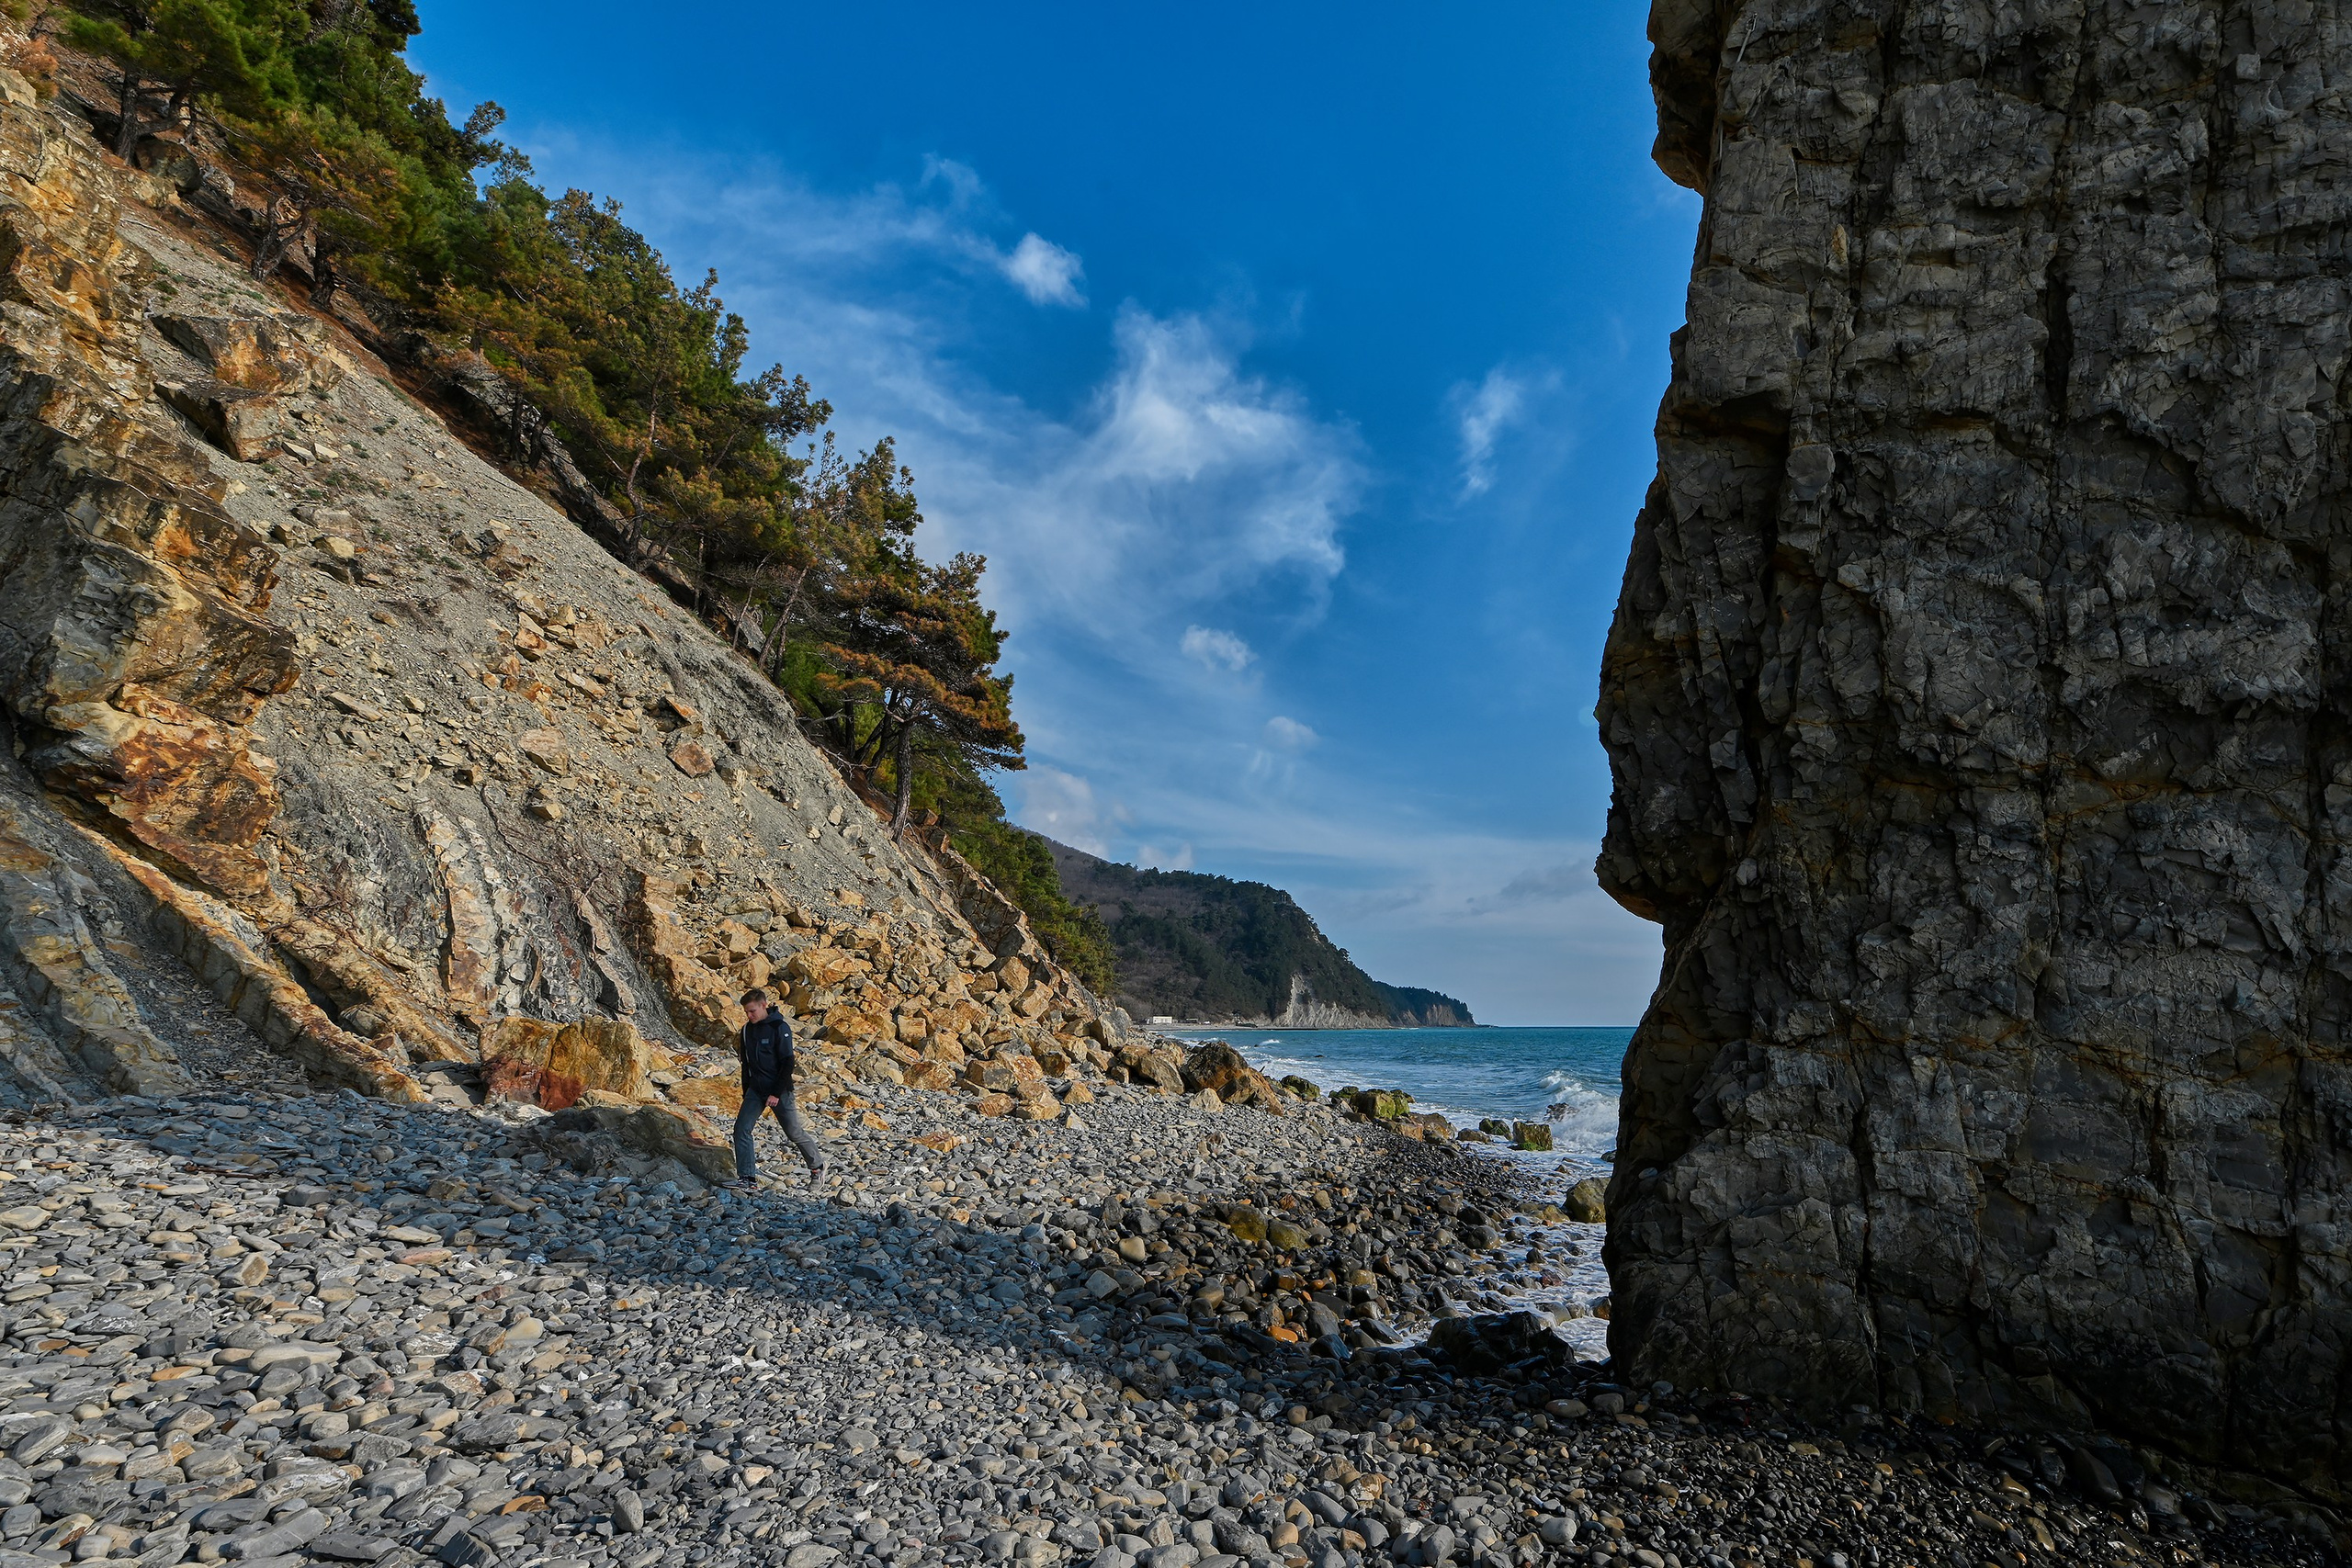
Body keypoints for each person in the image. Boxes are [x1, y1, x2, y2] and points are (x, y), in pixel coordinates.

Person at [730, 988, 829, 1190]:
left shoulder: (779, 1027)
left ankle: (818, 1167)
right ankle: (747, 1179)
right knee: (741, 1129)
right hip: (756, 1090)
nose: (749, 1016)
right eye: (746, 1012)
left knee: (793, 1132)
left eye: (752, 1011)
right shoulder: (747, 1030)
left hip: (780, 1091)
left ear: (763, 1005)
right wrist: (746, 1091)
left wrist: (776, 1093)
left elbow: (787, 1062)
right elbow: (746, 1063)